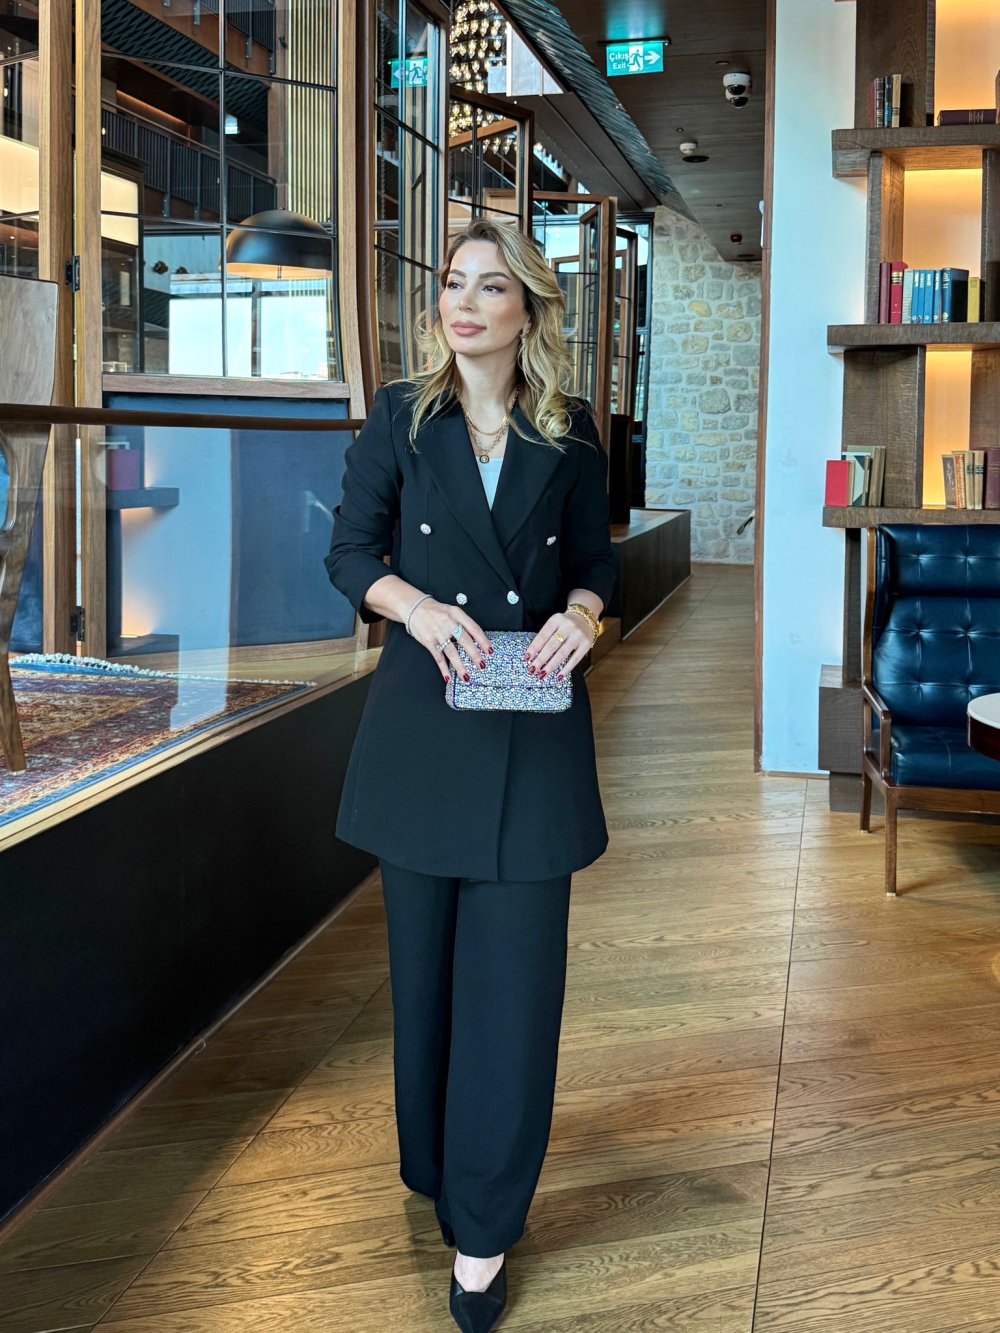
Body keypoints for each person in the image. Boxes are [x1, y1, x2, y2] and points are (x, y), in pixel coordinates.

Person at [325, 218, 615, 1332]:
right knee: (427, 985)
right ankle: (439, 1166)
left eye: (492, 287)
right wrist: (414, 606)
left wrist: (582, 616)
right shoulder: (401, 417)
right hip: (424, 737)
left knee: (514, 996)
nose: (464, 302)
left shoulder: (568, 434)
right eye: (454, 283)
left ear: (527, 309)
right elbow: (350, 552)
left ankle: (484, 1233)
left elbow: (593, 564)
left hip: (531, 742)